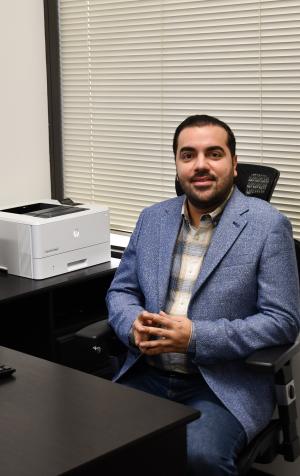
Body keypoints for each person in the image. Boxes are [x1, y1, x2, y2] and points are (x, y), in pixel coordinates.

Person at [106, 114, 300, 475]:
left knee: (199, 457)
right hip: (145, 374)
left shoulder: (268, 226)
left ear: (234, 163)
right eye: (188, 155)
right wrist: (132, 325)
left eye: (213, 154)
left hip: (219, 386)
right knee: (93, 438)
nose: (200, 165)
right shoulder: (152, 219)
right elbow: (122, 291)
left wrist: (194, 337)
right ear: (177, 164)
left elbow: (282, 321)